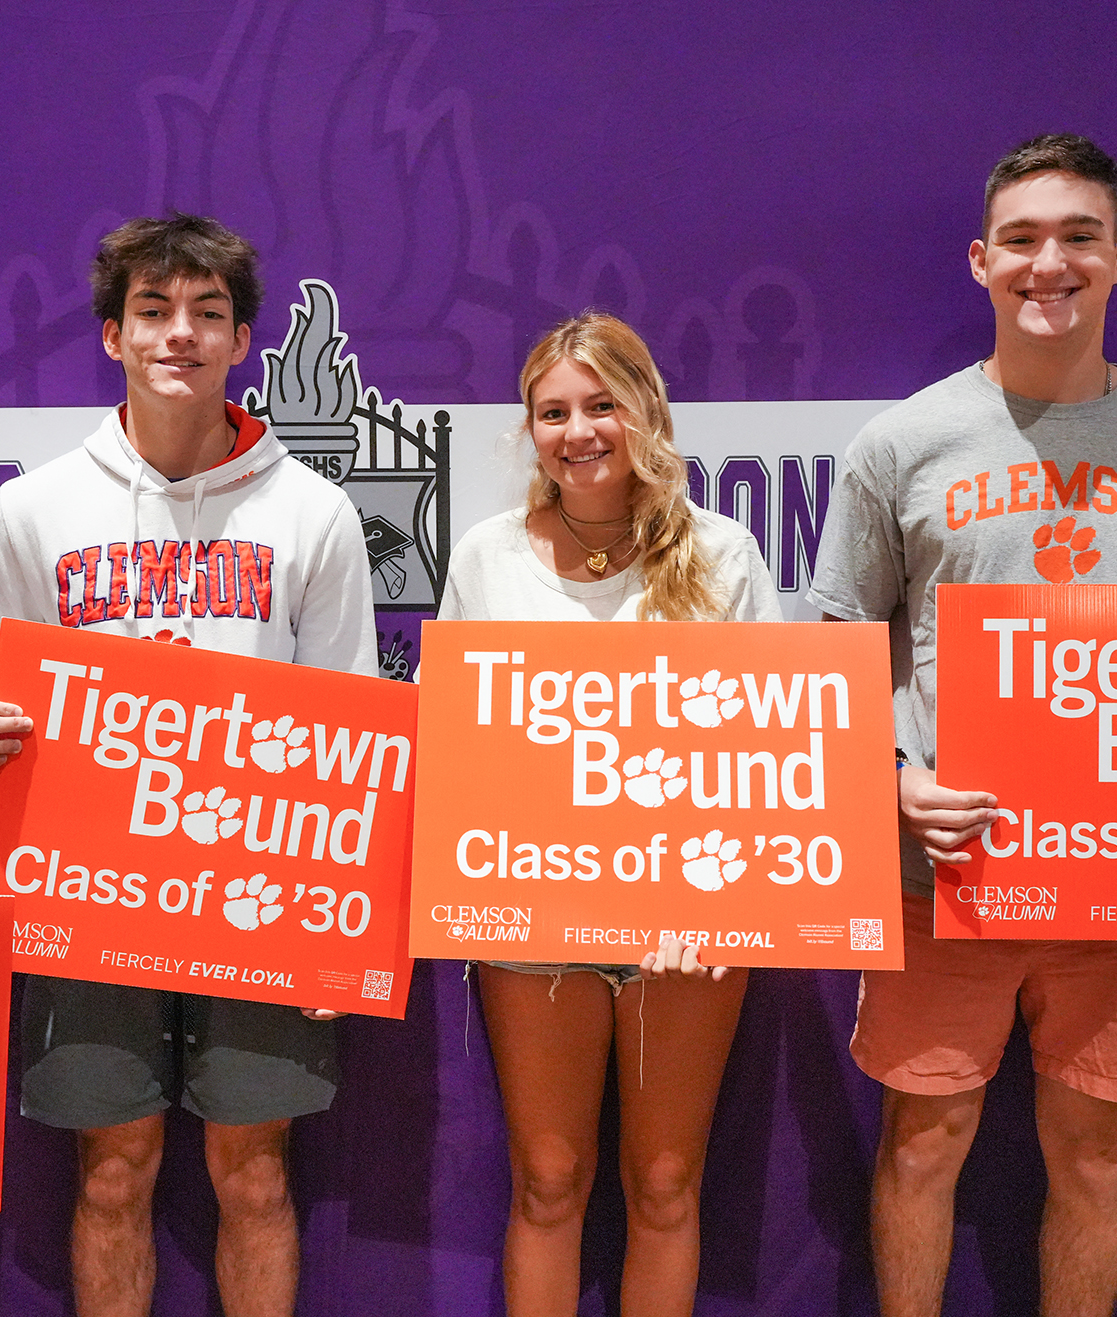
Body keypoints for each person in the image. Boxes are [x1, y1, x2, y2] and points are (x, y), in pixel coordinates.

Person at [807, 134, 1117, 1317]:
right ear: (979, 261)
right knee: (920, 1144)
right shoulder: (901, 442)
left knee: (1097, 1159)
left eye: (1076, 237)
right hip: (943, 867)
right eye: (1020, 240)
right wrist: (883, 779)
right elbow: (832, 649)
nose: (1047, 264)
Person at [0, 213, 377, 1317]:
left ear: (240, 340)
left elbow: (351, 720)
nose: (179, 333)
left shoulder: (314, 513)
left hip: (262, 895)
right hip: (89, 885)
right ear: (111, 335)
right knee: (113, 1171)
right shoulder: (37, 506)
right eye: (152, 310)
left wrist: (338, 931)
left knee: (255, 1173)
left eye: (207, 313)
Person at [437, 312, 781, 1317]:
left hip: (691, 919)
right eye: (553, 412)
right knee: (547, 1179)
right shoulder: (487, 557)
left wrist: (721, 906)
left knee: (666, 1185)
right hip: (530, 916)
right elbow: (459, 741)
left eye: (600, 405)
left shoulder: (723, 554)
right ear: (529, 430)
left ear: (645, 413)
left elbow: (774, 750)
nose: (577, 430)